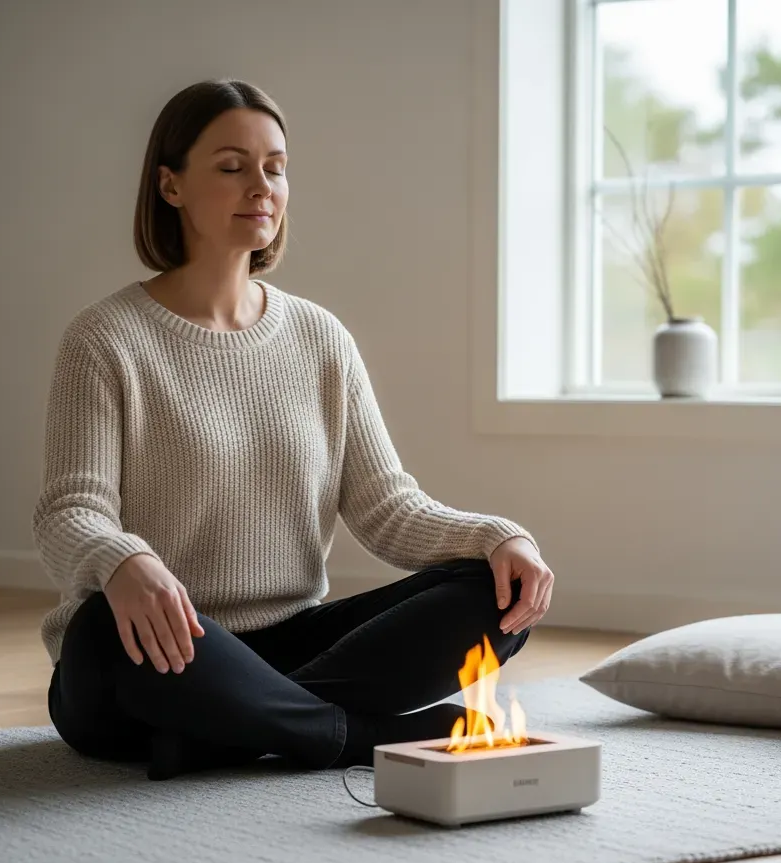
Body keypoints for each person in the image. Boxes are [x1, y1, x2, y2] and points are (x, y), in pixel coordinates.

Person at [33, 79, 554, 781]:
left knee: (487, 590)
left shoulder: (318, 337)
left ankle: (244, 731)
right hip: (164, 651)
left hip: (295, 650)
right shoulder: (104, 340)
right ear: (171, 185)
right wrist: (124, 561)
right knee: (101, 632)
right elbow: (71, 511)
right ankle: (356, 735)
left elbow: (388, 508)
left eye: (275, 167)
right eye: (231, 166)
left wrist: (500, 538)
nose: (261, 186)